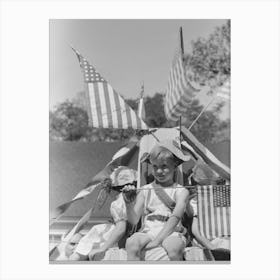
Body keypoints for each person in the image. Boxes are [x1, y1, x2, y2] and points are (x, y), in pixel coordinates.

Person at [123, 140, 190, 261]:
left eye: (164, 166)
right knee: (131, 243)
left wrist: (157, 241)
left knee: (175, 248)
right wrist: (128, 203)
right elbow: (133, 220)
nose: (159, 171)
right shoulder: (145, 190)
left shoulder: (181, 191)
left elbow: (176, 216)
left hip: (172, 231)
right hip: (148, 231)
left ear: (174, 166)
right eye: (155, 166)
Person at [68, 166, 137, 261]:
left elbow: (121, 228)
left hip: (115, 235)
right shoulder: (135, 198)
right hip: (129, 234)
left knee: (95, 232)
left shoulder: (118, 202)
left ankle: (75, 258)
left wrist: (103, 248)